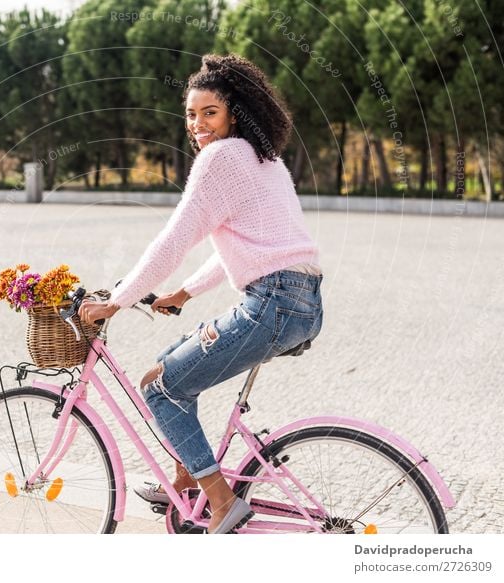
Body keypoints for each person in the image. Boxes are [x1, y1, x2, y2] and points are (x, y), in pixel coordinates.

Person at [78, 53, 323, 533]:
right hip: (303, 300)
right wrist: (184, 293)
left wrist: (117, 299)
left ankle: (220, 500)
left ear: (235, 111)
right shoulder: (264, 159)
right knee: (170, 360)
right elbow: (249, 247)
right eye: (191, 114)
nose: (197, 124)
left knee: (159, 387)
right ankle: (186, 480)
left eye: (209, 112)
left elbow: (174, 239)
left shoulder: (221, 158)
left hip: (271, 303)